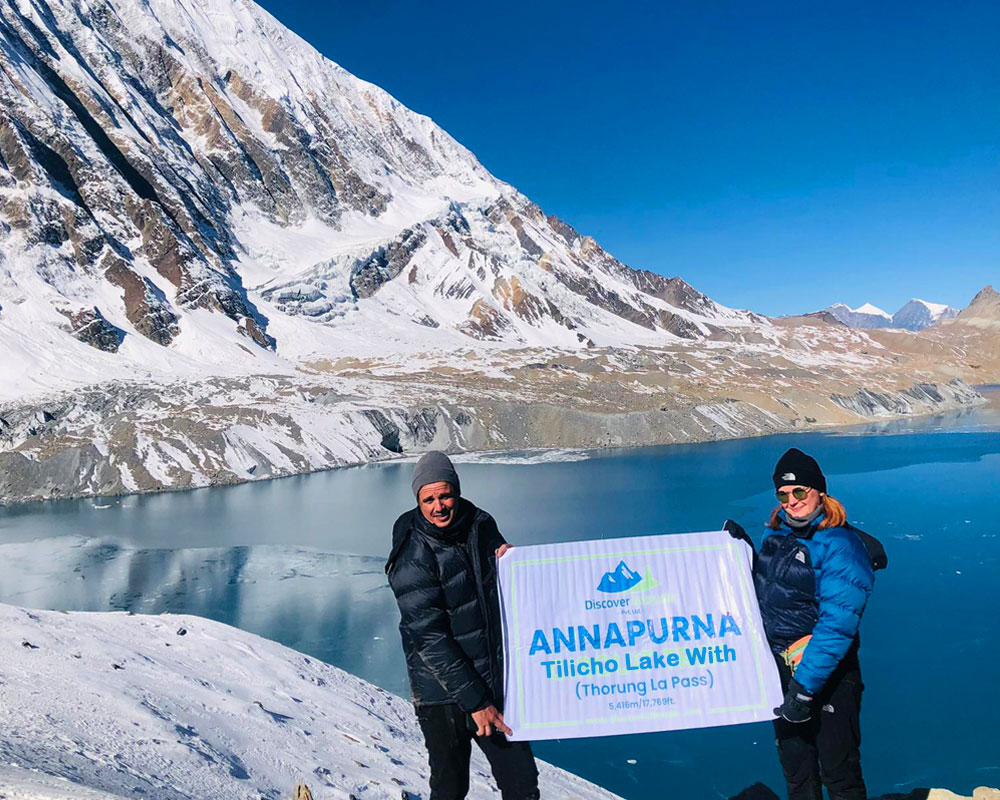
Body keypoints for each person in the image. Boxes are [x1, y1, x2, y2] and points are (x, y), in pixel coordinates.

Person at [728, 447, 886, 800]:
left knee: (839, 773)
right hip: (781, 673)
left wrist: (804, 689)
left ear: (819, 492)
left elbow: (837, 625)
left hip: (827, 679)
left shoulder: (841, 545)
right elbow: (770, 594)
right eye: (783, 494)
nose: (791, 501)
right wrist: (741, 551)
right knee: (797, 770)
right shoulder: (780, 538)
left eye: (799, 491)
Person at [385, 451, 540, 800]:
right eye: (429, 499)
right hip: (443, 697)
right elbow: (429, 638)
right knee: (450, 788)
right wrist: (475, 701)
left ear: (456, 491)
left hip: (492, 684)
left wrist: (511, 565)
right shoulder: (413, 551)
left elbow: (501, 592)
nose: (438, 506)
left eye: (445, 495)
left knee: (522, 784)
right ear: (418, 501)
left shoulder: (480, 525)